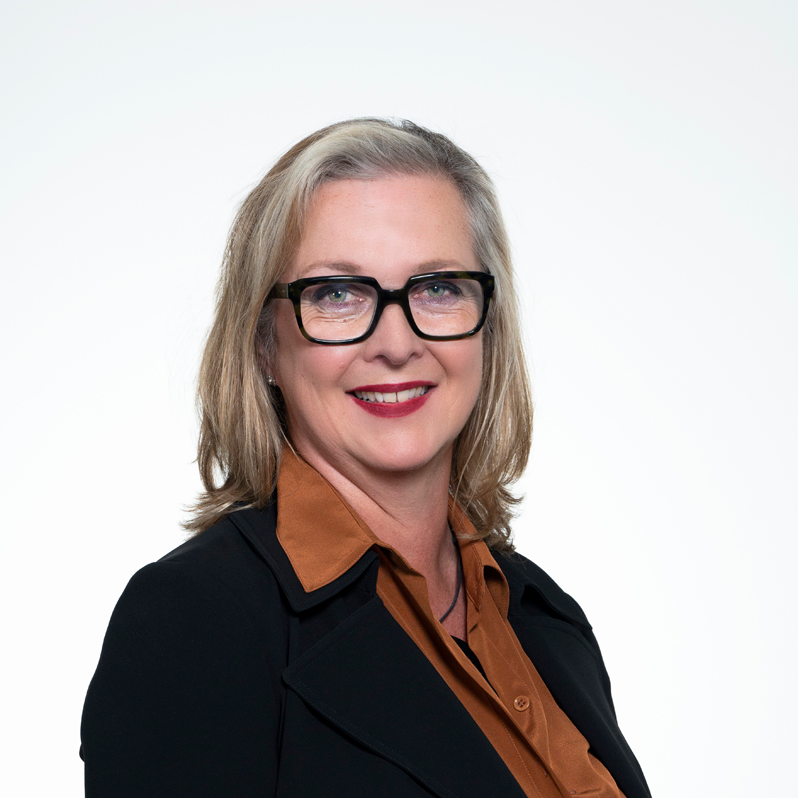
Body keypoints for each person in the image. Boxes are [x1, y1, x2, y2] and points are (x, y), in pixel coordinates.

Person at [80, 118, 651, 798]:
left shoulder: (544, 618)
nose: (395, 343)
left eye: (438, 287)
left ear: (487, 327)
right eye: (337, 295)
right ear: (264, 343)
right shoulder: (195, 621)